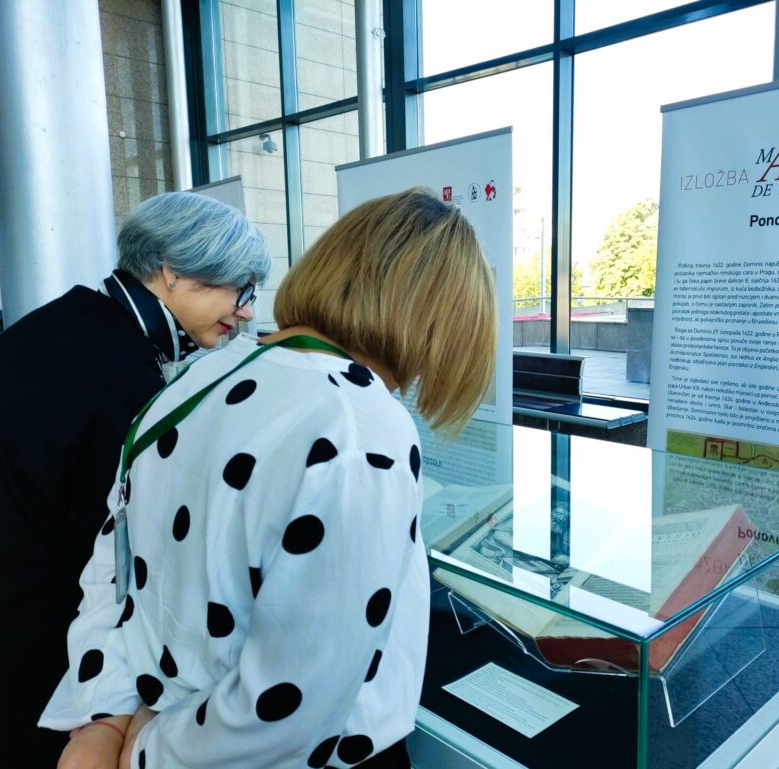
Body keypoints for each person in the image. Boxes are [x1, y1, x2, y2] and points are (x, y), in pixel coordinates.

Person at [40, 188, 498, 769]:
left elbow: (116, 568)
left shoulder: (191, 383)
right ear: (442, 324)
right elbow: (291, 705)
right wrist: (150, 756)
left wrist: (103, 719)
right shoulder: (359, 428)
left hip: (158, 721)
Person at [0, 191, 270, 768]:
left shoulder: (65, 327)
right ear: (171, 272)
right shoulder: (119, 372)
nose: (245, 312)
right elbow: (123, 546)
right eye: (237, 289)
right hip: (32, 649)